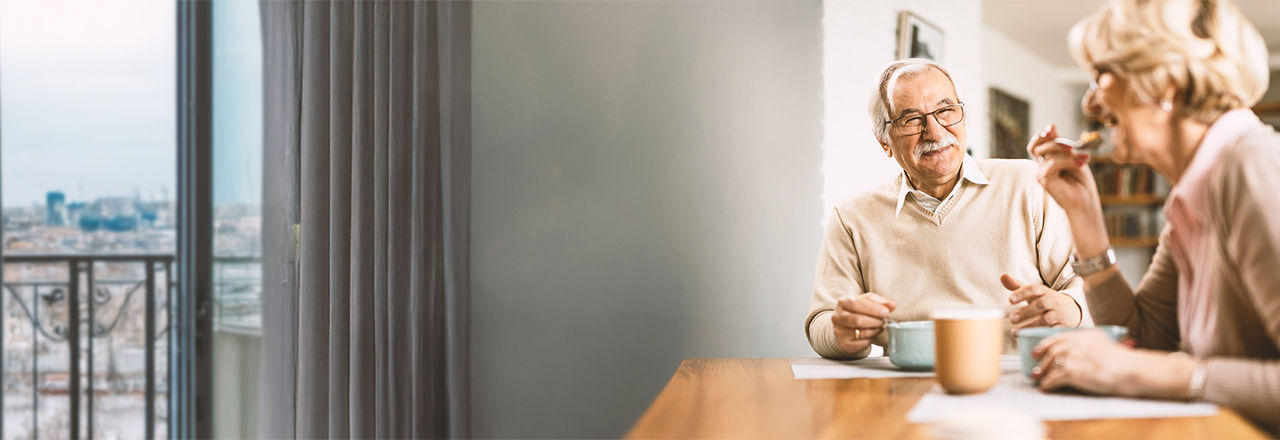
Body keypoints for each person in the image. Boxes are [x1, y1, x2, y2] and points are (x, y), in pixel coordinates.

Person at [1027, 0, 1280, 432]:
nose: (1090, 101)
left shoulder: (1251, 167)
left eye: (1100, 74)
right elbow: (1144, 339)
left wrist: (1168, 373)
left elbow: (1141, 364)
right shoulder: (1193, 194)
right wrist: (1085, 219)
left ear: (1167, 83)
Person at [806, 58, 1089, 360]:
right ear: (884, 142)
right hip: (906, 380)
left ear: (963, 117)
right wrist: (843, 331)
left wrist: (1070, 307)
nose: (935, 131)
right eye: (911, 119)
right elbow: (821, 322)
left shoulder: (1029, 184)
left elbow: (1084, 282)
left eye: (945, 111)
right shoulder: (852, 218)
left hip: (1018, 374)